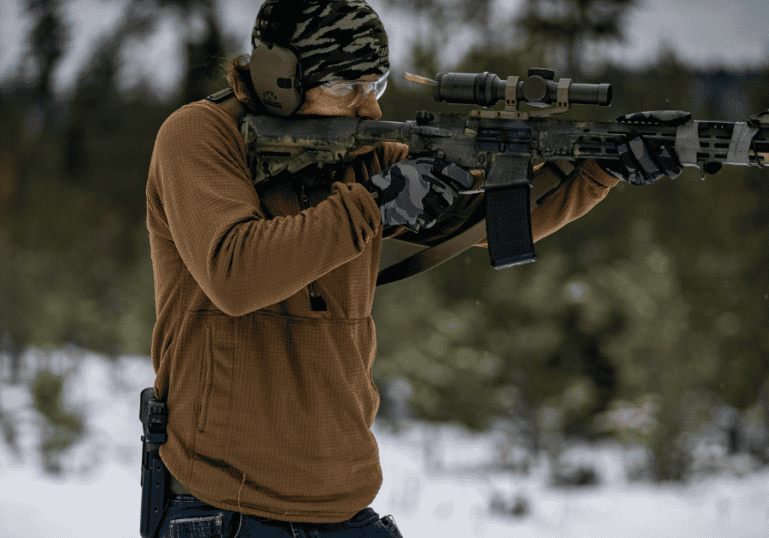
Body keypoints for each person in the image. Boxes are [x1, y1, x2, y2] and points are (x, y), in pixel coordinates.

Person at [145, 1, 682, 536]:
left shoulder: (362, 157)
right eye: (346, 88)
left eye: (375, 87)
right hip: (224, 511)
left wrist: (597, 167)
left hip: (343, 508)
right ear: (277, 81)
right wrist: (374, 205)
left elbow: (485, 220)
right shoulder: (198, 136)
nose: (369, 109)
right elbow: (235, 274)